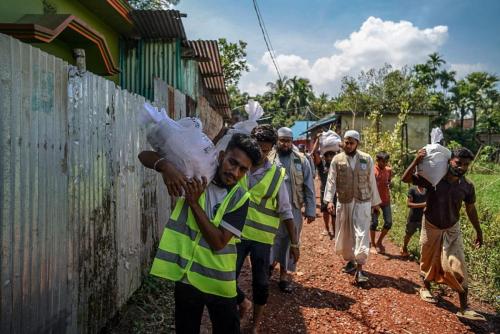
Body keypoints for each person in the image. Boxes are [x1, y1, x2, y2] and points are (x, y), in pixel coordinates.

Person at [139, 133, 262, 333]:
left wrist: (194, 204)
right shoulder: (196, 172)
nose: (235, 172)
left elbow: (219, 241)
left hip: (219, 282)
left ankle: (241, 302)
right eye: (233, 162)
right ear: (221, 156)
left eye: (243, 169)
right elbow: (143, 156)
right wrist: (166, 166)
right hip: (187, 278)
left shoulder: (240, 198)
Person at [402, 147, 485, 321]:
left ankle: (464, 307)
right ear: (449, 161)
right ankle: (425, 288)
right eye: (458, 163)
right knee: (428, 258)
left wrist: (478, 231)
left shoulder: (467, 186)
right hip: (431, 225)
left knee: (459, 264)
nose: (462, 167)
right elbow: (406, 179)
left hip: (451, 228)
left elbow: (470, 209)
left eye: (466, 165)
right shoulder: (434, 180)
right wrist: (416, 161)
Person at [236, 125, 300, 333]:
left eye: (266, 150)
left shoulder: (276, 175)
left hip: (262, 239)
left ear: (271, 149)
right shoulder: (238, 166)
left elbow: (286, 212)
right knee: (226, 277)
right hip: (233, 234)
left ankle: (255, 325)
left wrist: (295, 242)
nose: (260, 154)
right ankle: (241, 303)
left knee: (261, 284)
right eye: (257, 148)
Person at [324, 130, 381, 283]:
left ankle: (360, 269)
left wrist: (375, 203)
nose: (348, 146)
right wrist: (329, 200)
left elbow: (371, 181)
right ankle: (350, 260)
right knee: (346, 233)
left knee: (362, 233)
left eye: (351, 143)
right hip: (344, 202)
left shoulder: (366, 159)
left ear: (357, 143)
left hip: (363, 202)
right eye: (346, 142)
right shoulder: (337, 159)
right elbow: (331, 181)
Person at [268, 127, 316, 292]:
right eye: (282, 140)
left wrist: (311, 210)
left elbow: (309, 186)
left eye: (288, 141)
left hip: (294, 208)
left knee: (290, 241)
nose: (285, 144)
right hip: (271, 209)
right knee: (271, 239)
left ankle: (283, 276)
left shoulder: (301, 160)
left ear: (292, 141)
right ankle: (267, 269)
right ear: (277, 141)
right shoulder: (268, 158)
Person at [311, 135, 339, 238]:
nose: (329, 158)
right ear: (325, 157)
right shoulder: (321, 164)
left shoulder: (338, 164)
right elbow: (314, 153)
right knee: (325, 212)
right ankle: (326, 229)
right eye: (327, 156)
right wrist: (318, 140)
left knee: (335, 213)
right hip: (324, 192)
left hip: (336, 193)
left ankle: (336, 231)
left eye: (332, 155)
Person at [370, 151, 393, 254]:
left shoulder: (388, 170)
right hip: (375, 201)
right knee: (374, 223)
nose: (384, 163)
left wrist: (389, 184)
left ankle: (379, 242)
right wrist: (374, 203)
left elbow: (389, 181)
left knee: (388, 222)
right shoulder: (373, 171)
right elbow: (370, 187)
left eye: (386, 161)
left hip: (385, 200)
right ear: (377, 161)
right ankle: (373, 244)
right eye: (382, 161)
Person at [400, 185, 427, 257]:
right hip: (413, 217)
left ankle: (423, 256)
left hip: (423, 218)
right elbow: (409, 204)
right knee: (408, 234)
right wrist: (423, 205)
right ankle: (404, 247)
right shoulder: (412, 190)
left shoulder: (427, 190)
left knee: (424, 238)